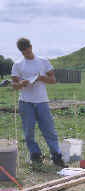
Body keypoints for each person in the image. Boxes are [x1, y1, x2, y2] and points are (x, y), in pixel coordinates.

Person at [11, 38, 66, 169]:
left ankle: (56, 156)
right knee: (28, 131)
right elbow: (14, 85)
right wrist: (21, 83)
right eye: (23, 52)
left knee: (49, 130)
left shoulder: (43, 61)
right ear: (20, 51)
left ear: (31, 46)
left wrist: (41, 78)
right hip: (25, 102)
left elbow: (53, 80)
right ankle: (35, 155)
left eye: (27, 49)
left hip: (42, 101)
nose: (26, 53)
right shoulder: (18, 65)